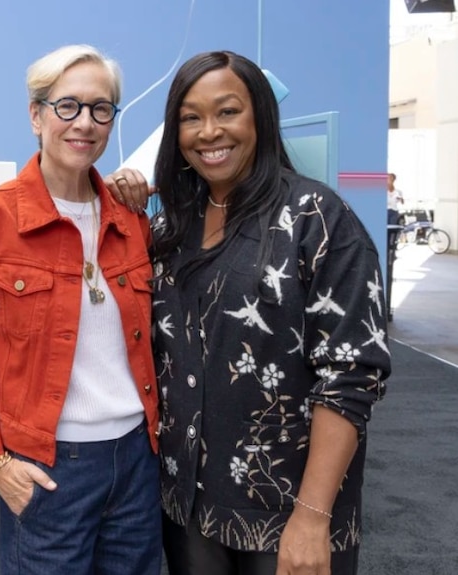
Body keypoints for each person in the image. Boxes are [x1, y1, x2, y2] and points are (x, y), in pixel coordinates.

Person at [106, 50, 391, 575]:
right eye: (191, 117)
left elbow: (351, 377)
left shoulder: (319, 220)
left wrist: (311, 518)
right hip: (186, 505)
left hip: (286, 512)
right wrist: (128, 197)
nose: (209, 131)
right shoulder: (171, 229)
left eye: (228, 111)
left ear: (260, 115)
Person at [0, 44, 162, 574]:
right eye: (68, 106)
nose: (85, 122)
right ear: (36, 115)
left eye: (100, 108)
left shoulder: (132, 220)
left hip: (137, 460)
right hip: (48, 466)